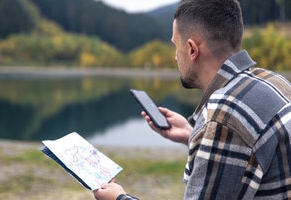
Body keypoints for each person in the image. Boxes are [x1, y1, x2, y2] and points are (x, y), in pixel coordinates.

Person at [94, 0, 291, 199]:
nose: (175, 58)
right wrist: (193, 135)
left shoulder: (224, 116)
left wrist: (119, 198)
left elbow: (233, 129)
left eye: (175, 46)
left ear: (192, 49)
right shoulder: (275, 82)